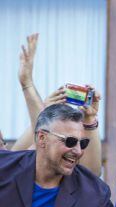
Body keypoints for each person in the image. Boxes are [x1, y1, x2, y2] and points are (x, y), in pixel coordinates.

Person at [12, 33, 103, 176]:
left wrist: (90, 118)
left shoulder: (73, 176)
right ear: (42, 139)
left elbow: (92, 174)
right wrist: (27, 84)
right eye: (70, 141)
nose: (78, 151)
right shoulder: (14, 175)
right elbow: (13, 160)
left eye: (83, 143)